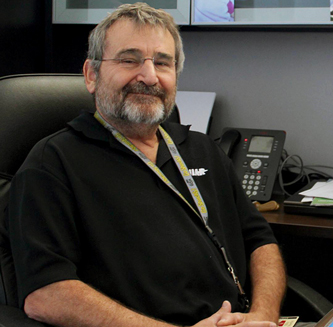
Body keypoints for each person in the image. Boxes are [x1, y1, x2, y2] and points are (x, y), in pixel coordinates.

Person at [7, 3, 286, 327]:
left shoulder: (201, 150)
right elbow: (46, 294)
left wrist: (262, 317)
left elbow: (260, 241)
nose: (150, 76)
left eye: (163, 63)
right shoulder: (53, 165)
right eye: (129, 60)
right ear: (91, 75)